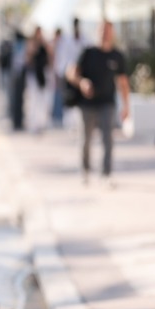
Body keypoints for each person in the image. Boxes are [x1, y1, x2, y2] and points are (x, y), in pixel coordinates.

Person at [67, 20, 130, 186]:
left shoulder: (117, 56)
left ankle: (106, 174)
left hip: (107, 103)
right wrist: (82, 83)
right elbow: (71, 73)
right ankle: (85, 171)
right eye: (102, 30)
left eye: (108, 30)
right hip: (86, 104)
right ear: (97, 31)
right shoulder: (88, 53)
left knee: (108, 140)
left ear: (112, 33)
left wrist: (126, 107)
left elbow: (123, 82)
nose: (105, 34)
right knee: (86, 140)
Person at [53, 17, 87, 127]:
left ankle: (78, 123)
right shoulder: (66, 40)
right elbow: (62, 58)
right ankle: (69, 124)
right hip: (68, 75)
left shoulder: (84, 39)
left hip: (80, 74)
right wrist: (64, 72)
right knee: (68, 99)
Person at [24, 26, 52, 133]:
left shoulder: (44, 44)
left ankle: (41, 123)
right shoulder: (31, 43)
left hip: (43, 74)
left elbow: (50, 55)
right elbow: (28, 58)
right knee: (33, 100)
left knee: (43, 100)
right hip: (34, 74)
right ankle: (33, 124)